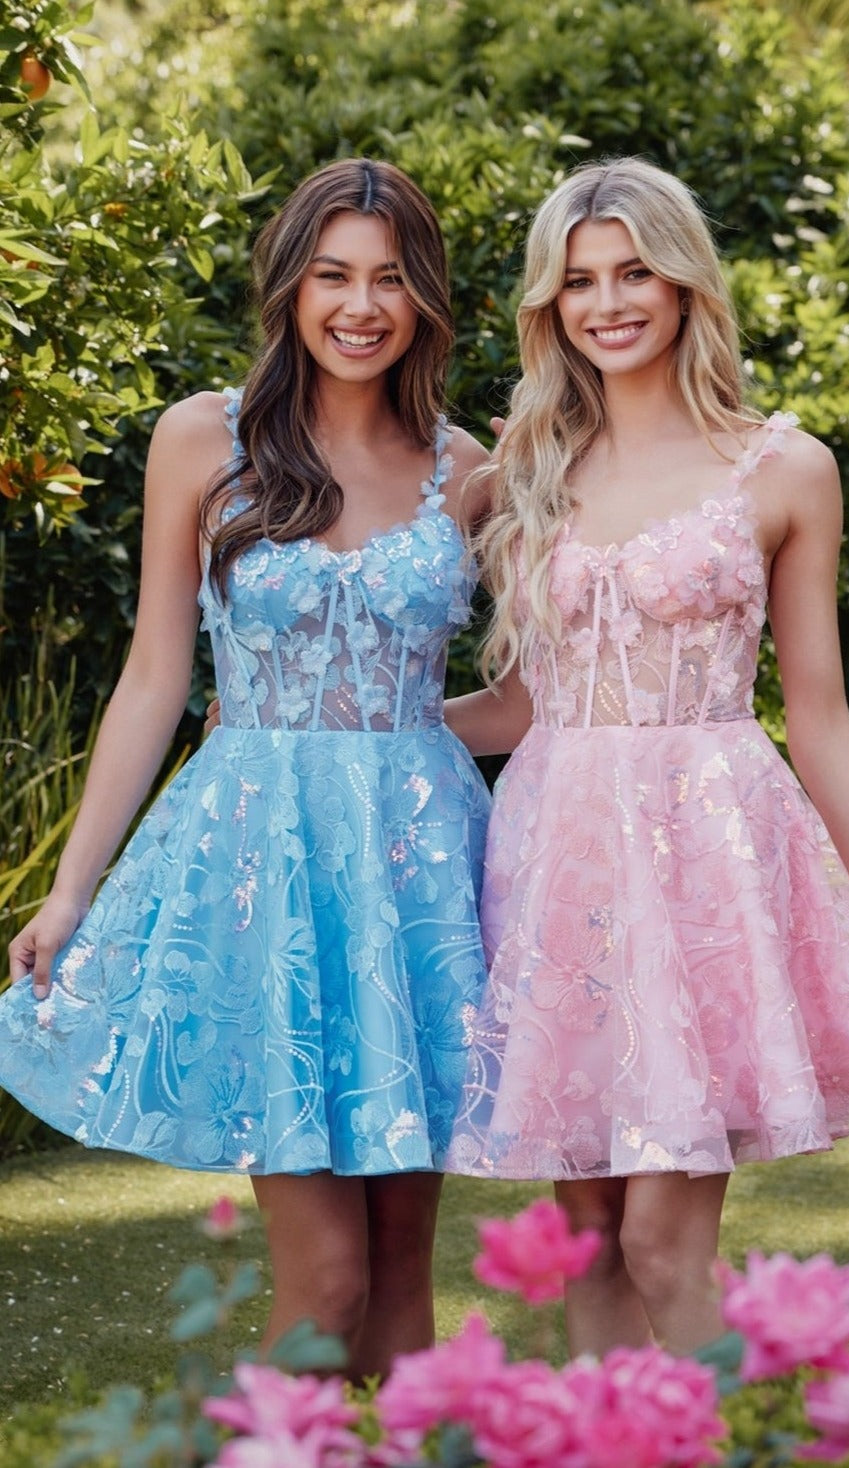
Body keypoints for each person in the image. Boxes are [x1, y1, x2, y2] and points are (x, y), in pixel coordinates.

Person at [0, 157, 493, 1379]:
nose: (360, 305)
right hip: (263, 874)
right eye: (332, 274)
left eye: (389, 278)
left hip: (419, 884)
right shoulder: (200, 439)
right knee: (323, 1281)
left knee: (397, 1287)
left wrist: (397, 734)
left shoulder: (469, 467)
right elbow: (154, 679)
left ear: (424, 297)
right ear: (289, 284)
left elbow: (530, 697)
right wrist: (70, 888)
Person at [442, 156, 849, 1359]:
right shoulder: (524, 471)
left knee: (662, 1246)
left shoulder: (780, 468)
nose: (606, 300)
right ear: (550, 304)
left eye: (633, 270)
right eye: (577, 280)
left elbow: (820, 716)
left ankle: (777, 1438)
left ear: (684, 283)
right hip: (558, 870)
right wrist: (376, 723)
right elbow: (522, 708)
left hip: (704, 871)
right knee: (585, 1240)